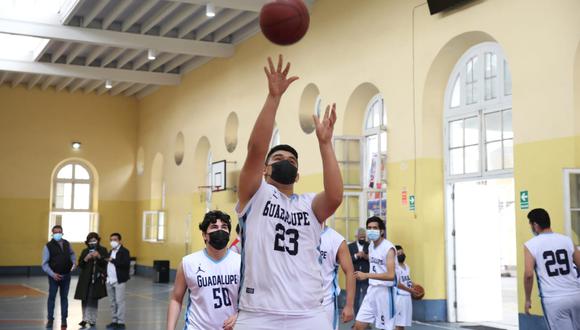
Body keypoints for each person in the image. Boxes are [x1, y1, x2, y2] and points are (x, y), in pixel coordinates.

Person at [235, 55, 343, 329]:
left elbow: (335, 196)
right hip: (258, 311)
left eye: (292, 162)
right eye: (278, 159)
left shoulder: (310, 204)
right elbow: (256, 149)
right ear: (264, 169)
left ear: (297, 175)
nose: (285, 162)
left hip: (308, 311)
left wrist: (325, 144)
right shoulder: (254, 195)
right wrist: (273, 98)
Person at [166, 210, 240, 330]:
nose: (220, 230)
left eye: (224, 227)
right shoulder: (188, 263)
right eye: (214, 227)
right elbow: (176, 298)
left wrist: (239, 316)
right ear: (205, 235)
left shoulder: (241, 263)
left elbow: (252, 300)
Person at [523, 208, 580, 329]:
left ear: (535, 225)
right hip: (576, 295)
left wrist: (527, 299)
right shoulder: (567, 240)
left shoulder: (531, 245)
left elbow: (528, 275)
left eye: (531, 225)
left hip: (553, 299)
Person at [353, 217, 397, 330]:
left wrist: (366, 275)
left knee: (386, 328)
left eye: (375, 228)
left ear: (381, 231)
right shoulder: (371, 246)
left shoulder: (389, 248)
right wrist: (365, 256)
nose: (371, 230)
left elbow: (391, 275)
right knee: (358, 325)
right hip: (371, 291)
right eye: (369, 228)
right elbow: (375, 261)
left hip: (384, 293)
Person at [320, 225, 355, 329]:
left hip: (325, 303)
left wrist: (349, 305)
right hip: (298, 302)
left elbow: (350, 272)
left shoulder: (336, 239)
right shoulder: (298, 233)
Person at [42, 225, 76, 329]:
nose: (58, 234)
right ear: (52, 233)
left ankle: (64, 319)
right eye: (56, 232)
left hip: (66, 276)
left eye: (59, 232)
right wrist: (53, 274)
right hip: (54, 278)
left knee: (64, 298)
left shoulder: (67, 243)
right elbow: (44, 264)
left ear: (62, 232)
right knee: (52, 298)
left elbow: (72, 253)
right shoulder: (48, 246)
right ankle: (50, 319)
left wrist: (74, 262)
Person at [74, 232, 108, 328]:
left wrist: (99, 256)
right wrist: (86, 259)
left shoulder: (103, 250)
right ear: (87, 242)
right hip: (85, 279)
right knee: (84, 298)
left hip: (96, 279)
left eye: (94, 240)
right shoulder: (85, 251)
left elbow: (105, 263)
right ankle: (84, 318)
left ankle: (92, 319)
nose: (92, 242)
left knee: (93, 299)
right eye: (90, 241)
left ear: (98, 240)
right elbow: (80, 264)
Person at [106, 233, 131, 329]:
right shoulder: (110, 251)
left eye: (115, 239)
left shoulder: (124, 251)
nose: (113, 241)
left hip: (119, 280)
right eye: (111, 239)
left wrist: (113, 260)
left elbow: (125, 264)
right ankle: (114, 320)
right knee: (112, 302)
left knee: (119, 301)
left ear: (120, 241)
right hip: (109, 280)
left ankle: (121, 322)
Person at [348, 228, 369, 317]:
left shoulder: (369, 245)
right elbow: (348, 260)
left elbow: (373, 259)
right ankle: (357, 319)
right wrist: (356, 255)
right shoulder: (350, 246)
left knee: (366, 298)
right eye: (360, 237)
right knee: (355, 298)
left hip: (366, 276)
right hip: (354, 276)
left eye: (364, 237)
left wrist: (365, 256)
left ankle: (366, 321)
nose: (362, 239)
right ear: (356, 236)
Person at [394, 245, 415, 330]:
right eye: (398, 253)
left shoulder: (407, 266)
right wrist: (410, 290)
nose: (401, 254)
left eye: (402, 253)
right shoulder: (395, 267)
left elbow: (408, 280)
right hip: (399, 297)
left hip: (407, 298)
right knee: (397, 324)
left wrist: (415, 286)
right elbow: (397, 283)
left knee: (403, 324)